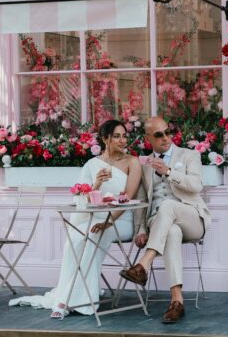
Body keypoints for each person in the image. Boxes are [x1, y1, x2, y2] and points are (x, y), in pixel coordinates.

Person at [10, 119, 142, 319]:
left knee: (93, 236)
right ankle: (76, 295)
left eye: (124, 136)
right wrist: (96, 184)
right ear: (105, 139)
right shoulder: (92, 165)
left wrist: (108, 222)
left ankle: (67, 299)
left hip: (120, 221)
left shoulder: (133, 162)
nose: (123, 140)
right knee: (76, 237)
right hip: (94, 218)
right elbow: (82, 198)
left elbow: (128, 198)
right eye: (117, 136)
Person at [120, 116, 211, 324]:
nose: (165, 138)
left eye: (168, 132)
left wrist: (168, 172)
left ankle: (143, 264)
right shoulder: (144, 164)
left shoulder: (189, 155)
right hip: (159, 221)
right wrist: (141, 229)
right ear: (148, 138)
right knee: (171, 232)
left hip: (191, 217)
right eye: (159, 135)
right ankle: (177, 302)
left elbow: (197, 186)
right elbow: (142, 199)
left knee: (168, 205)